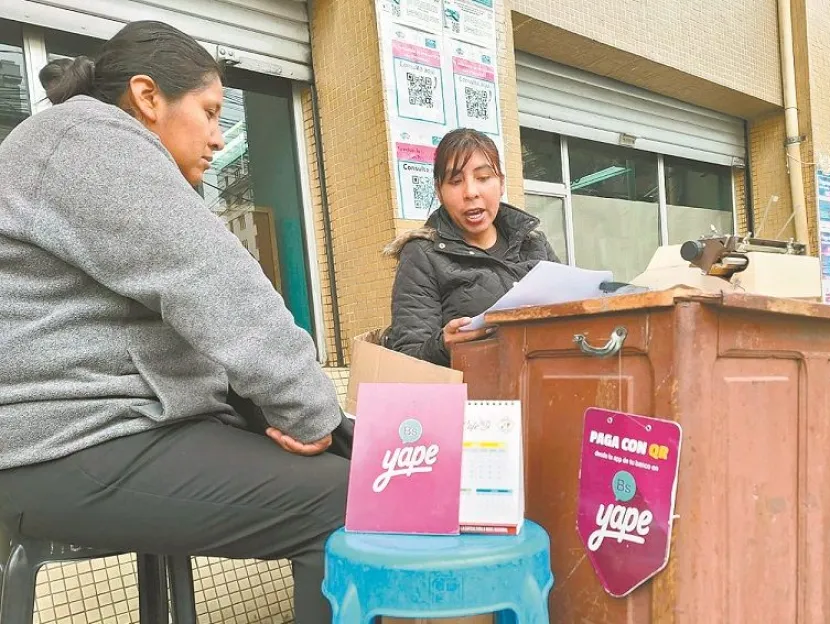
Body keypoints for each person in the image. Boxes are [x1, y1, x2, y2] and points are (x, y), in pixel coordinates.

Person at [0, 21, 348, 623]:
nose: (218, 137)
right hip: (61, 446)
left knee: (357, 455)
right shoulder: (91, 143)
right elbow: (215, 284)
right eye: (210, 112)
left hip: (101, 427)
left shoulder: (81, 145)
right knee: (345, 502)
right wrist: (311, 414)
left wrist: (329, 425)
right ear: (148, 96)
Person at [383, 128, 560, 366]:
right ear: (439, 191)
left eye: (483, 178)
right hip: (477, 400)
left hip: (548, 386)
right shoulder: (422, 255)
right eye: (455, 181)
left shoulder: (534, 244)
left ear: (501, 184)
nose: (470, 192)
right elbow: (408, 356)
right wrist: (443, 345)